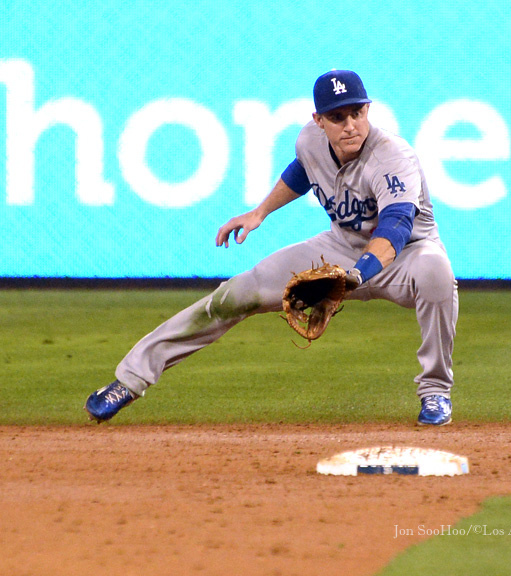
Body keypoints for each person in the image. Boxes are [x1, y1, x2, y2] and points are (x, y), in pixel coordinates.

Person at [85, 70, 458, 426]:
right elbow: (302, 170)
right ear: (318, 120)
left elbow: (395, 228)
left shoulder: (393, 156)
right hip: (340, 247)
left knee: (437, 273)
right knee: (236, 293)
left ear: (368, 110)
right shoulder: (310, 141)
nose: (349, 125)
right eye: (337, 116)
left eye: (357, 113)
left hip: (405, 255)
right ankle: (129, 381)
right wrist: (260, 212)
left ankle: (436, 391)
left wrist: (350, 279)